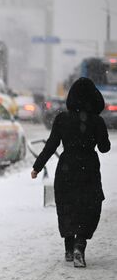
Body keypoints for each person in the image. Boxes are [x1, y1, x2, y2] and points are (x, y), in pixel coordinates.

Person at [31, 77, 110, 268]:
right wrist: (97, 131)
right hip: (89, 169)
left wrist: (37, 166)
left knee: (67, 206)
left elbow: (51, 145)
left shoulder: (62, 119)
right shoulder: (97, 121)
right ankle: (79, 245)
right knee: (88, 207)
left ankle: (68, 247)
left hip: (67, 167)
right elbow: (104, 148)